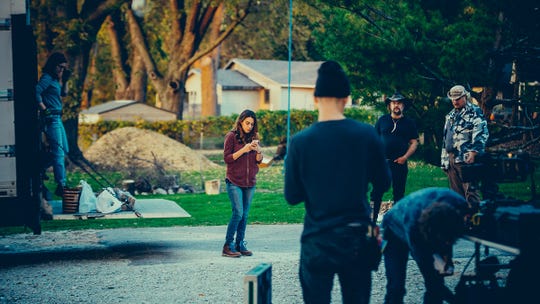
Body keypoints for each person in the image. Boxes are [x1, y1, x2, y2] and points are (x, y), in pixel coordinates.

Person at [284, 60, 391, 304]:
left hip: (317, 238)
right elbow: (384, 182)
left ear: (315, 99)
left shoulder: (300, 142)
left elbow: (292, 196)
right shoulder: (366, 134)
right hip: (355, 237)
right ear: (346, 98)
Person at [381, 187, 472, 304]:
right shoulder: (414, 228)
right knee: (396, 286)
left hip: (424, 216)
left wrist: (446, 258)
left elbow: (448, 238)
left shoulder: (460, 206)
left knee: (435, 286)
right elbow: (430, 273)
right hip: (393, 229)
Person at [222, 109, 263, 257]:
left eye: (252, 124)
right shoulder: (231, 137)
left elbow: (259, 161)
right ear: (241, 121)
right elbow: (227, 158)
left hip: (250, 183)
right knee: (238, 212)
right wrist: (244, 150)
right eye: (247, 123)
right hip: (234, 181)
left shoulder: (254, 137)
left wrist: (258, 150)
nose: (250, 126)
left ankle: (240, 244)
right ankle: (228, 246)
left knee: (244, 215)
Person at [372, 92, 419, 221]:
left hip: (400, 163)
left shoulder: (409, 123)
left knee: (398, 193)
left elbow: (414, 142)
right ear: (389, 105)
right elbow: (374, 139)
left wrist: (405, 157)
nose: (396, 105)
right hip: (382, 164)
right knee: (377, 192)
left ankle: (397, 222)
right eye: (393, 103)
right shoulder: (382, 120)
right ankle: (373, 221)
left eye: (399, 103)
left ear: (403, 105)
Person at [441, 85, 489, 208]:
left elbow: (482, 134)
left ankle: (476, 222)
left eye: (458, 98)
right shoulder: (450, 115)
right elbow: (446, 138)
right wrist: (444, 159)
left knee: (471, 193)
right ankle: (461, 223)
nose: (455, 101)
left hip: (467, 159)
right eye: (453, 99)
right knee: (456, 196)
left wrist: (474, 152)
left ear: (465, 97)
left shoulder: (474, 112)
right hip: (452, 159)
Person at [36, 52, 71, 198]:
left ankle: (40, 168)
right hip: (51, 118)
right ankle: (61, 185)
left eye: (63, 68)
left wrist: (65, 80)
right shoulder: (47, 78)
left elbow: (64, 94)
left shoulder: (56, 80)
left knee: (65, 150)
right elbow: (35, 92)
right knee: (59, 153)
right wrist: (45, 110)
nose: (61, 70)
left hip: (58, 117)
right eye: (60, 67)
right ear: (53, 65)